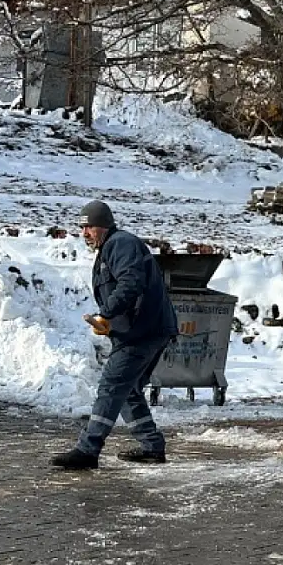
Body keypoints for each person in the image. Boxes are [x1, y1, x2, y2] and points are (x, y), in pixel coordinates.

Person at [50, 200, 178, 470]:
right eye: (82, 227)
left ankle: (88, 450)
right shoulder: (112, 247)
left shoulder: (121, 244)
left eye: (90, 227)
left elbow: (131, 283)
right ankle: (152, 447)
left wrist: (105, 315)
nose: (85, 233)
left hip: (142, 332)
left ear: (104, 225)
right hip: (144, 330)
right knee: (128, 390)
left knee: (111, 386)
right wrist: (109, 321)